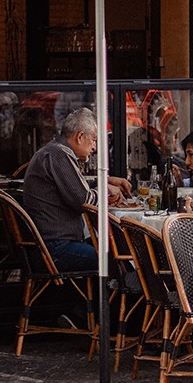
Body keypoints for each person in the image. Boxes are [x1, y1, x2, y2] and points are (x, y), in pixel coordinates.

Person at [21, 108, 132, 272]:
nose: (94, 147)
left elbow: (74, 187)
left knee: (119, 250)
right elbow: (83, 200)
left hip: (48, 243)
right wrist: (105, 190)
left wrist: (104, 181)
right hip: (55, 248)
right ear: (80, 136)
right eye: (93, 140)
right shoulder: (59, 154)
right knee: (119, 259)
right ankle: (128, 297)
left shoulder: (54, 150)